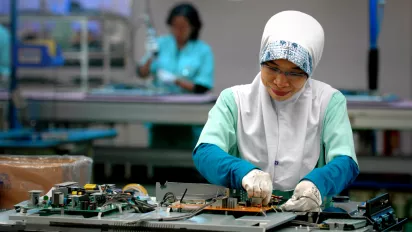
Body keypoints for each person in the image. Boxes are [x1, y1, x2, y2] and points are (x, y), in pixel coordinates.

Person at [193, 11, 359, 212]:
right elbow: (205, 152)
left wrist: (317, 185)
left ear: (310, 70)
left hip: (309, 216)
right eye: (272, 68)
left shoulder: (328, 101)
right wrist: (244, 173)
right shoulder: (234, 100)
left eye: (295, 73)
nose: (280, 82)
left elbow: (346, 161)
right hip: (243, 214)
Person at [137, 3, 214, 149]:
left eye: (183, 27)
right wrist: (149, 56)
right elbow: (142, 73)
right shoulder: (161, 44)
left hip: (188, 117)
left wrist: (175, 80)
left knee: (186, 159)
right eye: (174, 26)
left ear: (193, 27)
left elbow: (202, 87)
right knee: (159, 157)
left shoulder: (202, 50)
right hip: (159, 114)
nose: (178, 31)